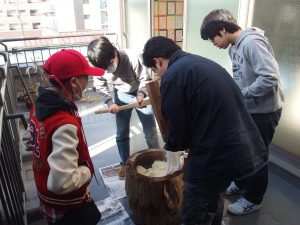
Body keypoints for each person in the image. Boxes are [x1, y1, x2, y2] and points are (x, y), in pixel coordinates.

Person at [142, 36, 268, 225]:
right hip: (243, 146)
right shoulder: (202, 63)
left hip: (218, 153)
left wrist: (173, 151)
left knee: (196, 208)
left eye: (155, 71)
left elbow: (176, 125)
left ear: (157, 61)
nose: (159, 75)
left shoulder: (174, 74)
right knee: (214, 199)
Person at [200, 9, 284, 215]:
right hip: (249, 109)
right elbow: (241, 76)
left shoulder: (252, 42)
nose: (214, 44)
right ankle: (242, 182)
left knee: (257, 155)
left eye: (213, 39)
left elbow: (269, 77)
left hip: (264, 112)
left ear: (222, 30)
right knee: (243, 151)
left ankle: (253, 199)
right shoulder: (234, 47)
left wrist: (242, 93)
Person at [22, 49, 104, 225]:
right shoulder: (63, 123)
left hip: (45, 196)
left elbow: (31, 137)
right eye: (86, 78)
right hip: (67, 207)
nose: (88, 82)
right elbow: (62, 183)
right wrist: (86, 171)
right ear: (74, 82)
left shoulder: (40, 105)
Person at [87, 36, 160, 179]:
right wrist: (109, 103)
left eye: (109, 65)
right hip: (120, 95)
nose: (108, 70)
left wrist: (140, 94)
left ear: (114, 53)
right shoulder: (100, 66)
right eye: (104, 68)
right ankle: (124, 164)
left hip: (139, 92)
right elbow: (100, 86)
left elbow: (145, 79)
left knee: (150, 129)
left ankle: (156, 158)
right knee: (121, 132)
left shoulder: (132, 57)